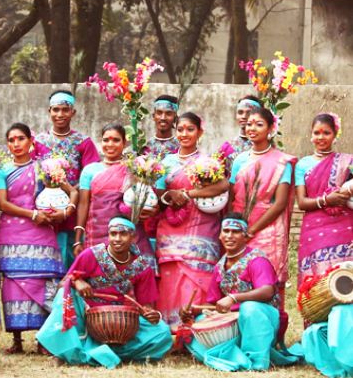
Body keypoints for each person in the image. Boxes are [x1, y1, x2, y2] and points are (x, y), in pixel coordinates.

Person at [36, 216, 172, 369]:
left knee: (162, 333)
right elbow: (62, 284)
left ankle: (98, 353)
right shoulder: (91, 255)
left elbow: (146, 306)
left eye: (123, 234)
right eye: (113, 234)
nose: (117, 239)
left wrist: (153, 315)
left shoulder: (142, 267)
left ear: (134, 236)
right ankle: (91, 352)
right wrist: (77, 281)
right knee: (64, 295)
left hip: (119, 322)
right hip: (86, 317)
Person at [0, 122, 78, 353]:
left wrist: (67, 211)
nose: (16, 144)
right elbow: (2, 203)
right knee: (14, 284)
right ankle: (17, 340)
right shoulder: (1, 170)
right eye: (11, 140)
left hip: (42, 232)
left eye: (20, 138)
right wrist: (33, 214)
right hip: (12, 231)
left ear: (31, 141)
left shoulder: (44, 167)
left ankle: (44, 339)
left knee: (44, 282)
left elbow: (72, 191)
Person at [180, 213, 298, 371]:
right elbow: (212, 303)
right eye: (226, 231)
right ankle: (233, 358)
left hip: (262, 321)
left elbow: (268, 291)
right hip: (235, 321)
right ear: (220, 235)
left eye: (235, 231)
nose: (229, 236)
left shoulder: (257, 260)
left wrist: (233, 298)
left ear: (245, 236)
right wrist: (192, 311)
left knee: (249, 308)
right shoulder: (220, 266)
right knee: (200, 320)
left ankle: (256, 362)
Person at [154, 112, 228, 330]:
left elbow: (223, 186)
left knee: (197, 277)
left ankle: (196, 329)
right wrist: (169, 197)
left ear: (200, 132)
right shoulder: (166, 162)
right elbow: (158, 191)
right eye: (180, 129)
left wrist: (187, 194)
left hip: (201, 229)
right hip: (170, 227)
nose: (184, 134)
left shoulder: (207, 162)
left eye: (190, 129)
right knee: (170, 278)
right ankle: (172, 330)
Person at [229, 107, 297, 335]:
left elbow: (280, 203)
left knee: (268, 280)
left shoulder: (282, 162)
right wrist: (238, 228)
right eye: (249, 124)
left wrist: (253, 229)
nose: (252, 128)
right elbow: (231, 197)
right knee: (240, 278)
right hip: (240, 226)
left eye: (259, 124)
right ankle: (242, 333)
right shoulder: (239, 160)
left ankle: (272, 335)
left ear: (270, 129)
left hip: (269, 229)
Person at [32, 90, 100, 269]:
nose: (60, 114)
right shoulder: (38, 142)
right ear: (49, 111)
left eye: (65, 109)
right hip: (44, 212)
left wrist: (69, 192)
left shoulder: (83, 142)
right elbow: (31, 175)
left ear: (73, 112)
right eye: (56, 110)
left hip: (72, 213)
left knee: (71, 263)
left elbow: (91, 176)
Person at [74, 123, 156, 270]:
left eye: (116, 140)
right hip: (97, 235)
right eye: (106, 140)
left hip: (129, 235)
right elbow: (83, 204)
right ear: (101, 142)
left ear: (124, 143)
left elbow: (144, 199)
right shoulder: (90, 170)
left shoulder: (134, 169)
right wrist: (77, 239)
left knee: (131, 280)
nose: (110, 144)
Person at [294, 113, 353, 285]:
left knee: (345, 280)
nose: (321, 137)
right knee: (317, 284)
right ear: (311, 135)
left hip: (344, 226)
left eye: (326, 133)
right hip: (314, 229)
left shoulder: (347, 162)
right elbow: (302, 202)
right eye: (317, 133)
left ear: (335, 135)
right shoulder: (302, 165)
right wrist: (327, 200)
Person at [217, 95, 263, 175]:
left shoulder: (264, 146)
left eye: (249, 112)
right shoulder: (226, 147)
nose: (244, 116)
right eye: (240, 112)